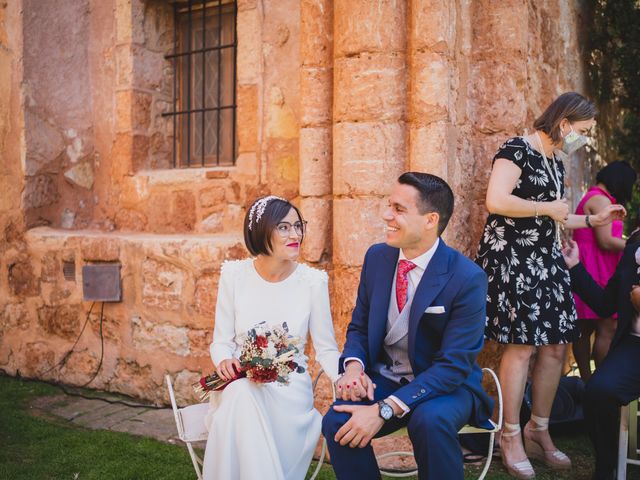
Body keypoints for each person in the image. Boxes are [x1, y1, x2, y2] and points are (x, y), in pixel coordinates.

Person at [475, 92, 625, 479]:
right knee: (522, 346)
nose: (584, 139)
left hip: (547, 259)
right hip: (514, 258)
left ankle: (537, 429)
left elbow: (558, 217)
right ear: (564, 124)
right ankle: (509, 435)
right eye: (583, 131)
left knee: (557, 345)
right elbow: (496, 200)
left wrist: (593, 220)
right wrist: (545, 208)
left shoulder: (557, 160)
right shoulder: (517, 149)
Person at [322, 172, 494, 480]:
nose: (386, 215)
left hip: (447, 388)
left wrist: (384, 409)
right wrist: (354, 368)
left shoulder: (467, 278)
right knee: (337, 420)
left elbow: (453, 366)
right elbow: (359, 326)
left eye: (399, 209)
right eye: (389, 205)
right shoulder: (377, 257)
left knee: (428, 420)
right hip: (386, 379)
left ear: (430, 220)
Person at [202, 195, 340, 480]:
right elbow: (220, 340)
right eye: (284, 227)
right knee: (241, 392)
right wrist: (224, 360)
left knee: (241, 398)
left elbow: (326, 349)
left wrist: (345, 377)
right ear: (262, 231)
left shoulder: (312, 283)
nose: (296, 234)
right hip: (243, 384)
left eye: (298, 226)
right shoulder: (234, 276)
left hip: (290, 391)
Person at [563, 238, 639, 480]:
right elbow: (605, 304)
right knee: (597, 391)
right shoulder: (633, 251)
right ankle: (607, 465)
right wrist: (574, 266)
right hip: (634, 346)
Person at [572, 161, 637, 382]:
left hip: (592, 264)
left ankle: (588, 380)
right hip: (597, 267)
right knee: (607, 325)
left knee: (584, 328)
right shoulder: (600, 200)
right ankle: (600, 381)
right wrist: (633, 247)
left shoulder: (594, 196)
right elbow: (606, 241)